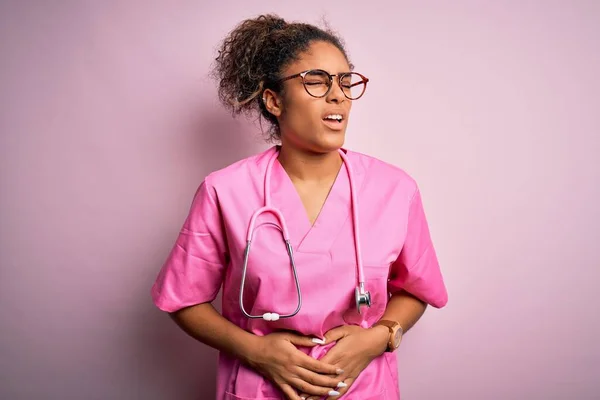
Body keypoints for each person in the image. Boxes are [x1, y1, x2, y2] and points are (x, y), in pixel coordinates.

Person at [151, 14, 448, 400]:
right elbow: (184, 299)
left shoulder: (394, 189)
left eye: (345, 81)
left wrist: (381, 336)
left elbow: (416, 288)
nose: (338, 94)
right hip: (262, 389)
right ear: (274, 101)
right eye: (317, 81)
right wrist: (256, 351)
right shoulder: (225, 191)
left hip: (363, 389)